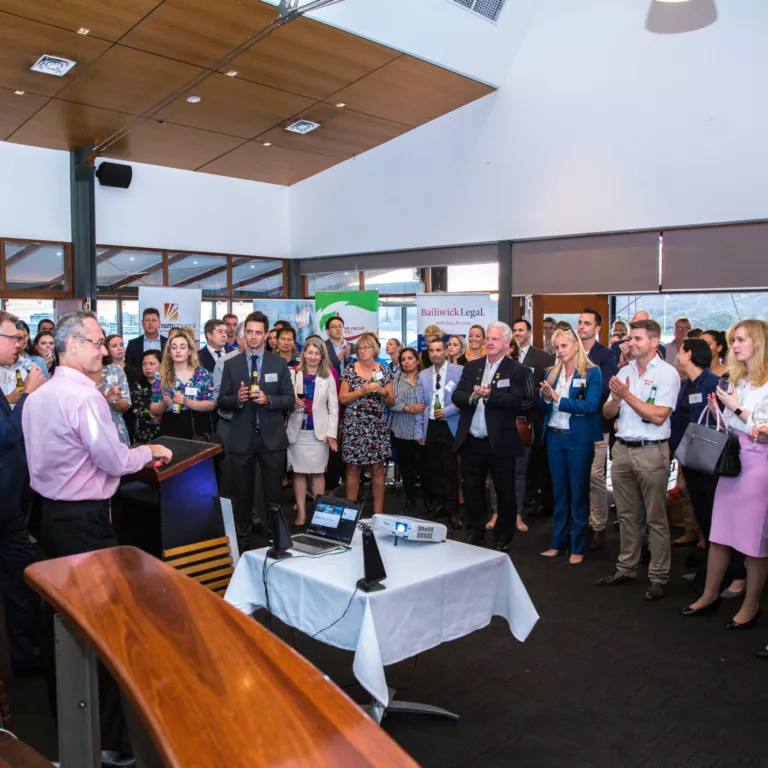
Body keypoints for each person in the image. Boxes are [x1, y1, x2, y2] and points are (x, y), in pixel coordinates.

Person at [22, 310, 172, 767]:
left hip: (49, 518)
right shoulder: (85, 399)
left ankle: (63, 714)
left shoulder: (38, 397)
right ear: (71, 345)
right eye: (95, 341)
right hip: (85, 523)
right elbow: (111, 459)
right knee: (105, 628)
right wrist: (151, 450)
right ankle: (108, 738)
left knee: (62, 622)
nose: (104, 349)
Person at [681, 319, 768, 633]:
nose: (736, 346)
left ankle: (751, 605)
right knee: (718, 534)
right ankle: (709, 594)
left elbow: (762, 428)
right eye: (734, 340)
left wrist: (735, 408)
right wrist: (721, 410)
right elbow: (736, 422)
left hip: (758, 465)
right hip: (732, 460)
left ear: (758, 343)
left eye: (742, 340)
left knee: (754, 542)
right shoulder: (739, 379)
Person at [597, 319, 680, 601]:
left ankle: (658, 576)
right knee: (626, 515)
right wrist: (616, 400)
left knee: (656, 518)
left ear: (654, 342)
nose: (630, 343)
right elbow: (608, 413)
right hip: (622, 450)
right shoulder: (624, 370)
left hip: (651, 451)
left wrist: (626, 395)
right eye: (630, 339)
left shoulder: (668, 374)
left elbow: (658, 416)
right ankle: (626, 567)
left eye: (637, 339)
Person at [218, 312, 294, 551]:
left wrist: (269, 399)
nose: (253, 336)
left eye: (258, 332)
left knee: (272, 493)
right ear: (243, 334)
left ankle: (275, 537)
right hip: (241, 438)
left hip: (271, 438)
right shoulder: (231, 364)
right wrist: (237, 400)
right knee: (242, 494)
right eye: (249, 332)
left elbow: (290, 399)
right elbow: (221, 400)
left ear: (266, 335)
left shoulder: (278, 363)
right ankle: (242, 538)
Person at [453, 322, 529, 551]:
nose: (490, 342)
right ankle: (475, 531)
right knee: (472, 489)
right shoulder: (472, 366)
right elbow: (457, 395)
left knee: (505, 491)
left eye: (495, 339)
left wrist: (491, 395)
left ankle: (503, 535)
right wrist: (473, 398)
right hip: (473, 440)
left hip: (501, 442)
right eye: (489, 338)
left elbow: (516, 401)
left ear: (506, 343)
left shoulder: (516, 370)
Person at [0, 309, 45, 679]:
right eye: (12, 338)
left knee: (21, 580)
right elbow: (7, 435)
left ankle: (28, 661)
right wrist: (28, 395)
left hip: (10, 507)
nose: (19, 344)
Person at [539, 329, 603, 564]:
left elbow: (590, 405)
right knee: (559, 493)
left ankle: (578, 546)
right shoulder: (552, 372)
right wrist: (546, 397)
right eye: (557, 347)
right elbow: (542, 408)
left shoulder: (592, 372)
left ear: (576, 345)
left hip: (578, 440)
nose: (560, 351)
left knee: (578, 493)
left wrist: (558, 399)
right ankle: (557, 543)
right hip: (555, 438)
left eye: (564, 346)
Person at [338, 332, 394, 515]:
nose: (363, 351)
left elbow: (392, 401)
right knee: (353, 468)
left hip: (376, 425)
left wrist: (383, 392)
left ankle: (378, 514)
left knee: (378, 469)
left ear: (374, 349)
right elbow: (342, 398)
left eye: (366, 347)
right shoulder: (350, 369)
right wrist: (361, 392)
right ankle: (350, 514)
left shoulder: (385, 370)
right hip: (354, 425)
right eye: (360, 348)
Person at [576, 308, 619, 550]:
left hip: (596, 423)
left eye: (587, 323)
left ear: (597, 328)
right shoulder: (569, 350)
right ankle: (580, 522)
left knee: (595, 477)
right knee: (577, 476)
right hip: (572, 422)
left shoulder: (606, 355)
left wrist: (584, 369)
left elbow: (605, 389)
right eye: (580, 323)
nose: (582, 327)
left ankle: (599, 526)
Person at [287, 338, 339, 527]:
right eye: (310, 352)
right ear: (304, 354)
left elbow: (334, 407)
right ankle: (301, 513)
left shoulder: (328, 376)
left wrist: (331, 433)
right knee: (299, 474)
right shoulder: (294, 374)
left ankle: (319, 515)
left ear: (322, 356)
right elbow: (284, 401)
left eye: (317, 353)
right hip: (297, 431)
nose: (313, 357)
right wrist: (292, 401)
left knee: (318, 474)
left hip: (319, 433)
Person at [415, 338, 463, 530]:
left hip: (449, 424)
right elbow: (421, 406)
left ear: (446, 352)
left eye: (438, 350)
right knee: (433, 469)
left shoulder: (458, 372)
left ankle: (453, 510)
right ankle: (439, 505)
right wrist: (420, 430)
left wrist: (448, 410)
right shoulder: (423, 375)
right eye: (431, 350)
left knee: (450, 470)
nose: (434, 354)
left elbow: (463, 399)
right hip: (431, 427)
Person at [513, 318, 555, 516]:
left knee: (538, 461)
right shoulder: (507, 357)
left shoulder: (542, 358)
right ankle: (524, 496)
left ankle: (540, 498)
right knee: (519, 463)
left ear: (529, 333)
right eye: (514, 330)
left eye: (521, 330)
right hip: (513, 418)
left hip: (536, 416)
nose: (517, 333)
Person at [150, 328, 215, 439]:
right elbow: (153, 409)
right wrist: (163, 405)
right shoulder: (160, 376)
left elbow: (211, 404)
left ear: (190, 351)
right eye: (174, 347)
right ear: (169, 352)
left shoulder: (203, 375)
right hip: (170, 428)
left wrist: (187, 402)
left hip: (197, 428)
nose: (178, 351)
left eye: (182, 347)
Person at [390, 347, 427, 512]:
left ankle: (428, 500)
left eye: (410, 358)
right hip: (402, 430)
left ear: (417, 360)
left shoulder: (426, 377)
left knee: (425, 468)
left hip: (423, 431)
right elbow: (391, 402)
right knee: (407, 469)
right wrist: (409, 409)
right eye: (403, 359)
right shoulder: (395, 379)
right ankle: (410, 499)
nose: (406, 362)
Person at [94, 341, 132, 446]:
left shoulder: (115, 370)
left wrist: (114, 400)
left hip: (114, 427)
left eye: (101, 343)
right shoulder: (77, 371)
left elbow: (125, 406)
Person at [130, 350, 163, 444]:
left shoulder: (168, 384)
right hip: (144, 432)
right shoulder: (137, 384)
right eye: (144, 364)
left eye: (152, 364)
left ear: (161, 364)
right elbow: (137, 409)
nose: (147, 367)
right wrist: (155, 414)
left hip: (166, 429)